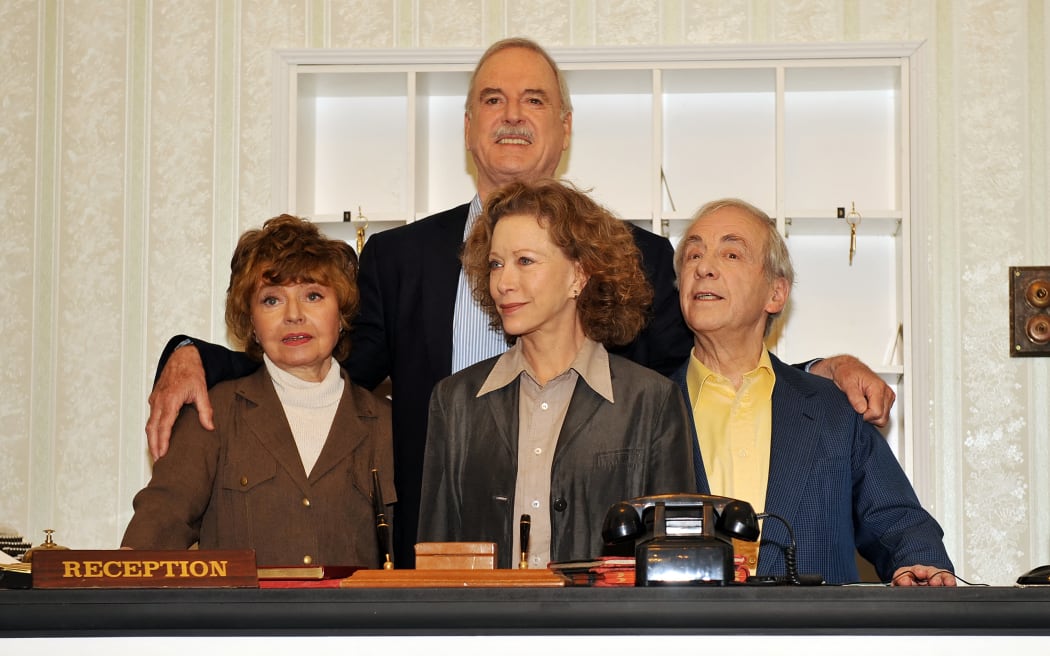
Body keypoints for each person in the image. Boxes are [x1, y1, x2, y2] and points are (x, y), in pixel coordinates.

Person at [144, 37, 894, 567]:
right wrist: (195, 355)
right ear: (468, 127)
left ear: (563, 130)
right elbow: (326, 357)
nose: (511, 113)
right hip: (439, 571)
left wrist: (817, 367)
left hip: (593, 580)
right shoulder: (400, 259)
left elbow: (699, 361)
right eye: (491, 99)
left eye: (534, 99)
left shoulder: (637, 257)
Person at [670, 198, 955, 586]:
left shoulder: (832, 409)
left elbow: (900, 522)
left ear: (776, 293)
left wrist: (921, 566)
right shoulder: (644, 408)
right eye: (692, 255)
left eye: (731, 253)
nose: (703, 267)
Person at [418, 179, 695, 568]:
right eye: (496, 264)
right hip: (485, 627)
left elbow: (672, 563)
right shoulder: (455, 401)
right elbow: (438, 561)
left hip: (602, 627)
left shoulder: (650, 400)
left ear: (579, 275)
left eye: (525, 261)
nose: (504, 282)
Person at [122, 215, 395, 568]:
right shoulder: (213, 414)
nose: (293, 315)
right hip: (238, 624)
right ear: (251, 322)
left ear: (341, 314)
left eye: (313, 295)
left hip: (352, 625)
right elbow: (160, 520)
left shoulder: (387, 424)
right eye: (271, 300)